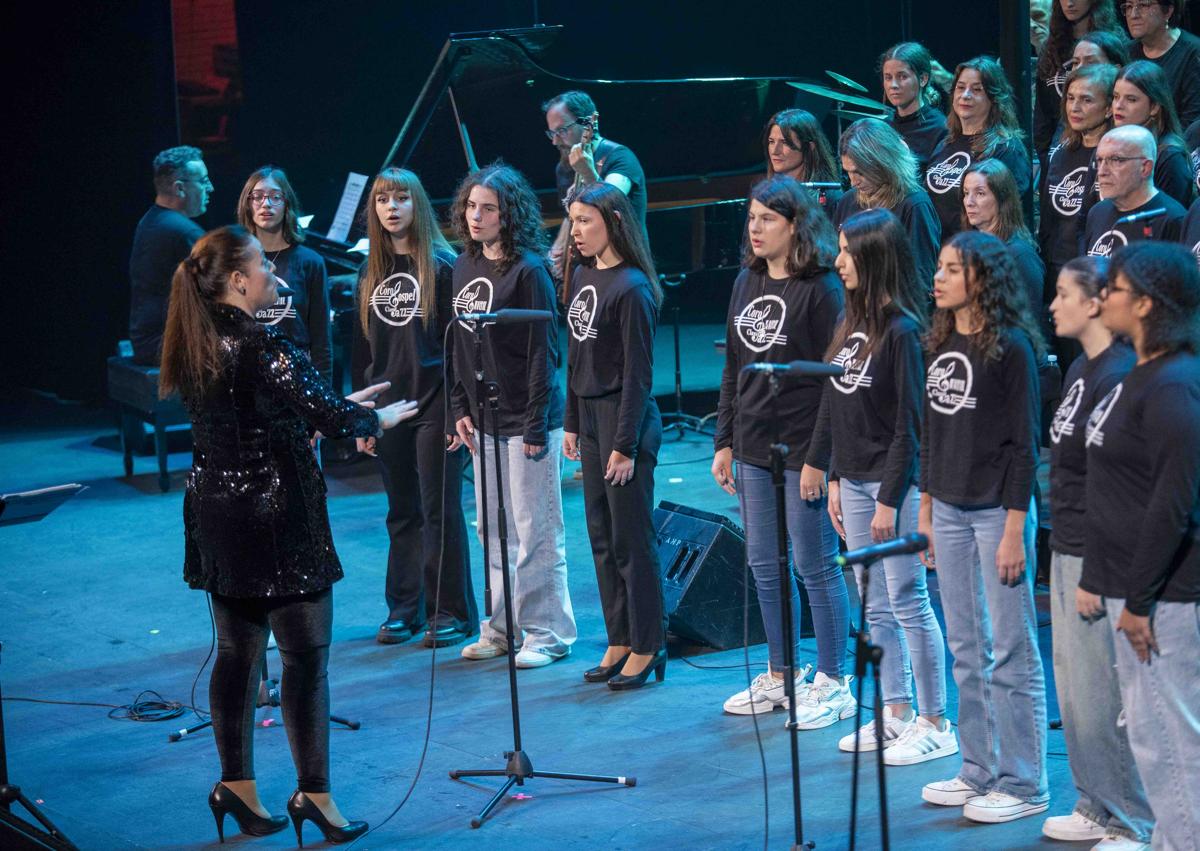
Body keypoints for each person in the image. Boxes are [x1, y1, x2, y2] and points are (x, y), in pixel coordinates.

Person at [158, 225, 419, 845]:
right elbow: (328, 417)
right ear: (241, 280)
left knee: (236, 654)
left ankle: (237, 788)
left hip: (218, 514)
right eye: (264, 269)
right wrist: (369, 416)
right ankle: (315, 796)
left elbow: (261, 411)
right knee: (305, 661)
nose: (277, 276)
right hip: (277, 519)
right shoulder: (263, 345)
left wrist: (332, 405)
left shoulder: (194, 342)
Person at [805, 208, 955, 764]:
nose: (837, 260)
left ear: (873, 258)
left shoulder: (904, 331)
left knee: (908, 600)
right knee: (874, 605)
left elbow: (910, 427)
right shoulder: (849, 322)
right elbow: (838, 407)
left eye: (846, 250)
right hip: (857, 481)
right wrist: (838, 478)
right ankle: (894, 712)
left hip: (896, 487)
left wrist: (890, 498)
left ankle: (936, 721)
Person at [917, 231, 1049, 824]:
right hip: (947, 507)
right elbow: (933, 432)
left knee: (1011, 650)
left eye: (950, 270)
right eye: (939, 267)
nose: (937, 278)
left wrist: (1015, 529)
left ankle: (1024, 783)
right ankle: (977, 769)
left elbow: (1026, 446)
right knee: (966, 648)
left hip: (999, 511)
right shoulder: (940, 338)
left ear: (982, 280)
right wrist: (925, 507)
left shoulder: (1012, 347)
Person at [712, 176, 853, 726]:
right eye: (751, 218)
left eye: (767, 219)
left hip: (801, 448)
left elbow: (832, 382)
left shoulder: (820, 288)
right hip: (750, 446)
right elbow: (732, 369)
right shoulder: (746, 278)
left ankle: (834, 678)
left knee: (814, 565)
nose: (755, 227)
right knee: (763, 565)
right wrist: (724, 440)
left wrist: (819, 458)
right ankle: (781, 672)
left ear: (795, 225)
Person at [1083, 241, 1200, 850]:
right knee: (1153, 739)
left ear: (1148, 303)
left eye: (1118, 289)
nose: (1105, 298)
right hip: (1135, 590)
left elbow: (1172, 505)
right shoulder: (1142, 374)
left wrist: (1139, 600)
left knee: (1171, 744)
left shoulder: (1175, 385)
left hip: (1164, 599)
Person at [1040, 256, 1152, 846]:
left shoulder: (1120, 373)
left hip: (1099, 554)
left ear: (1095, 302)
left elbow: (1119, 482)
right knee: (1077, 691)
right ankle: (1094, 801)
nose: (1052, 305)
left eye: (1062, 294)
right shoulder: (1081, 368)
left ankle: (1130, 818)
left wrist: (1096, 566)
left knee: (1107, 694)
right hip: (1069, 544)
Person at [449, 162, 576, 668]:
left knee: (535, 528)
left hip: (528, 420)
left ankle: (547, 632)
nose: (475, 216)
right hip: (483, 419)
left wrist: (535, 423)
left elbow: (545, 353)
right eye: (471, 207)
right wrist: (460, 406)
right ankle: (501, 628)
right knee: (494, 528)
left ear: (509, 215)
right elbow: (460, 345)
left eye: (487, 209)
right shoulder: (462, 266)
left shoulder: (529, 271)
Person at [350, 167, 478, 649]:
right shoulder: (370, 272)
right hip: (388, 409)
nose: (391, 208)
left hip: (433, 404)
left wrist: (453, 413)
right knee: (400, 511)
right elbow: (362, 351)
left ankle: (452, 611)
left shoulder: (443, 267)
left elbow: (460, 351)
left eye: (401, 199)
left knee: (438, 509)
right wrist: (362, 417)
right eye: (384, 200)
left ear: (416, 206)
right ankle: (405, 608)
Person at [562, 182, 667, 690]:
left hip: (624, 423)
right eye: (573, 221)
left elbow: (639, 376)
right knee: (601, 538)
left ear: (614, 221)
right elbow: (576, 353)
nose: (576, 231)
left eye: (586, 220)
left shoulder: (632, 288)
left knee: (631, 541)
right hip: (590, 418)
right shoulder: (581, 274)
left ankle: (648, 644)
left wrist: (624, 445)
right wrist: (570, 422)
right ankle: (619, 637)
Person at [235, 165, 332, 385]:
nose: (266, 204)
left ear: (286, 203)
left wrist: (324, 389)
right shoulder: (234, 261)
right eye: (257, 197)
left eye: (275, 197)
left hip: (298, 375)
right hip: (248, 376)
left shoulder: (311, 262)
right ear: (247, 204)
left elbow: (321, 337)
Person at [925, 56, 1031, 240]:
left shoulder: (1006, 148)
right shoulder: (946, 143)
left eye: (976, 89)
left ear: (994, 98)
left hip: (978, 252)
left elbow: (1006, 212)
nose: (965, 95)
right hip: (942, 253)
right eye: (960, 88)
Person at [544, 90, 647, 276]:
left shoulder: (620, 158)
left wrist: (587, 173)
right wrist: (556, 251)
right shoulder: (564, 167)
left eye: (562, 131)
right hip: (588, 267)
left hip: (624, 267)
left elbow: (611, 206)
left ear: (587, 123)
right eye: (551, 133)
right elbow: (571, 216)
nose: (554, 141)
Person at [833, 118, 942, 286]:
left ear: (884, 163)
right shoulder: (848, 200)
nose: (853, 182)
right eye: (848, 172)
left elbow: (920, 282)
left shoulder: (914, 205)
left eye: (859, 172)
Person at [129, 145, 212, 365]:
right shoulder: (183, 232)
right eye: (203, 181)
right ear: (179, 188)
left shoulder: (149, 221)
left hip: (147, 342)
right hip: (167, 346)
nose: (210, 188)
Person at [1039, 65, 1116, 291]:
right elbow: (1047, 222)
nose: (1074, 107)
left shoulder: (1116, 159)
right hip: (1058, 272)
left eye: (1086, 100)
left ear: (1109, 108)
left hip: (1098, 276)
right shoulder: (1062, 153)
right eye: (1070, 98)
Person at [1034, 0, 1121, 157]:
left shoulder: (1115, 42)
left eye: (1090, 62)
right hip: (1060, 147)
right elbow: (1043, 118)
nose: (1070, 2)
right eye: (1076, 62)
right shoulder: (1051, 48)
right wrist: (1048, 158)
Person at [1084, 124, 1187, 256]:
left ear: (1145, 168)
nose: (1102, 172)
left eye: (1116, 160)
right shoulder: (1097, 212)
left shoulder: (1173, 220)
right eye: (1099, 160)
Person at [961, 159, 1046, 317]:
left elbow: (1031, 323)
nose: (969, 202)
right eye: (966, 193)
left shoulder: (1021, 256)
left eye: (980, 193)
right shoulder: (968, 247)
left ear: (1002, 199)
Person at [1112, 60, 1196, 207]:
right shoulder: (1110, 146)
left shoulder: (1170, 157)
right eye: (1116, 97)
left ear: (1154, 107)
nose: (1118, 106)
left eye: (1131, 99)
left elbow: (1169, 221)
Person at [1125, 0, 1200, 127]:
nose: (1133, 15)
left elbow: (1193, 120)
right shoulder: (1126, 51)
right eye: (1128, 6)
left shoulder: (1193, 53)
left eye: (1143, 5)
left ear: (1168, 11)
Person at [880, 42, 949, 174]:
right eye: (888, 78)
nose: (893, 85)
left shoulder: (940, 128)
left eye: (902, 77)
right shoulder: (884, 126)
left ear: (923, 79)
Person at [761, 108, 845, 216]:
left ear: (809, 147)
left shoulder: (830, 198)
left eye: (785, 142)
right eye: (771, 142)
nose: (774, 151)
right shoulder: (765, 196)